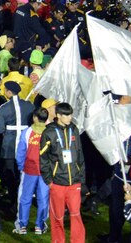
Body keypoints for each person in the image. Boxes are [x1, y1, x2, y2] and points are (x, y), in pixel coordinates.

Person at [40, 102, 86, 243]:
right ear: (58, 115)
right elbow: (43, 158)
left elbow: (80, 154)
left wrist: (81, 178)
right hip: (57, 182)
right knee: (57, 217)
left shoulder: (74, 129)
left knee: (76, 215)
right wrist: (49, 181)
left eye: (70, 114)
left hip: (74, 182)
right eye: (66, 115)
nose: (69, 117)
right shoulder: (49, 132)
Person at [15, 109, 49, 235]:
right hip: (45, 172)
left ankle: (22, 225)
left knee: (25, 198)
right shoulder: (50, 132)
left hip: (29, 169)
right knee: (43, 199)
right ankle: (39, 226)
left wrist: (20, 166)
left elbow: (21, 151)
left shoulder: (27, 132)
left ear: (35, 117)